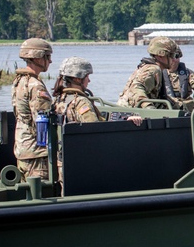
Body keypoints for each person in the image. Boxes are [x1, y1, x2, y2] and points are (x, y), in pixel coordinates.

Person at [52, 56, 143, 188]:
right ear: (78, 78)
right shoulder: (81, 102)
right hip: (81, 162)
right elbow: (95, 130)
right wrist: (125, 123)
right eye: (87, 76)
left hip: (65, 159)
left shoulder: (60, 99)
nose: (89, 80)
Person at [11, 37, 53, 186]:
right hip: (36, 152)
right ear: (38, 58)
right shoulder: (35, 85)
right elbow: (43, 120)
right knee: (40, 193)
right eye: (47, 57)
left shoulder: (19, 81)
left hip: (22, 148)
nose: (50, 61)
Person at [117, 36, 182, 109]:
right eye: (172, 55)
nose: (174, 59)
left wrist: (179, 105)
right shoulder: (153, 69)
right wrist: (148, 107)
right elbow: (136, 87)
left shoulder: (153, 68)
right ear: (160, 55)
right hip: (131, 113)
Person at [168, 47, 194, 111]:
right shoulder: (157, 74)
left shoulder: (188, 73)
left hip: (185, 108)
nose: (174, 60)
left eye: (176, 56)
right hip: (165, 107)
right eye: (171, 57)